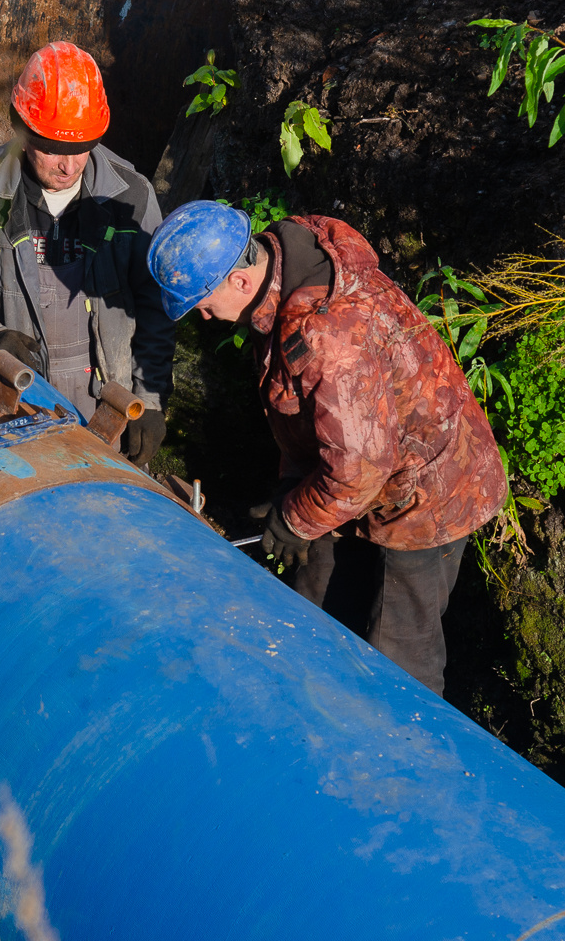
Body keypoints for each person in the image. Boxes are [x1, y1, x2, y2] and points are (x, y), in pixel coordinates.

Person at [146, 202, 507, 695]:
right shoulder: (284, 265)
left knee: (398, 650)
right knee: (311, 601)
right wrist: (294, 481)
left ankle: (398, 752)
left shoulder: (329, 334)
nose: (205, 318)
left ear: (241, 282)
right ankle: (304, 704)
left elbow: (360, 470)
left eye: (204, 304)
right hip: (355, 465)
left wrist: (294, 519)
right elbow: (315, 412)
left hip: (429, 493)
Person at [0, 41, 174, 467]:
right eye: (54, 149)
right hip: (17, 400)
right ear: (22, 133)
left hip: (107, 407)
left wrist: (147, 400)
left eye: (82, 147)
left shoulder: (130, 197)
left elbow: (156, 305)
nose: (70, 165)